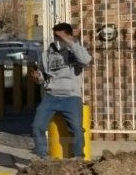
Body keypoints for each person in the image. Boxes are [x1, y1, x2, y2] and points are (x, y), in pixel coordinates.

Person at [30, 23, 92, 159]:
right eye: (56, 36)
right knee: (37, 126)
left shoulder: (76, 51)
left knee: (76, 129)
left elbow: (86, 60)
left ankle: (78, 157)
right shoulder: (47, 54)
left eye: (61, 36)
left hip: (71, 96)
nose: (58, 39)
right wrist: (37, 77)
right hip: (51, 96)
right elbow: (43, 77)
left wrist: (70, 42)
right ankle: (42, 156)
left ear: (69, 35)